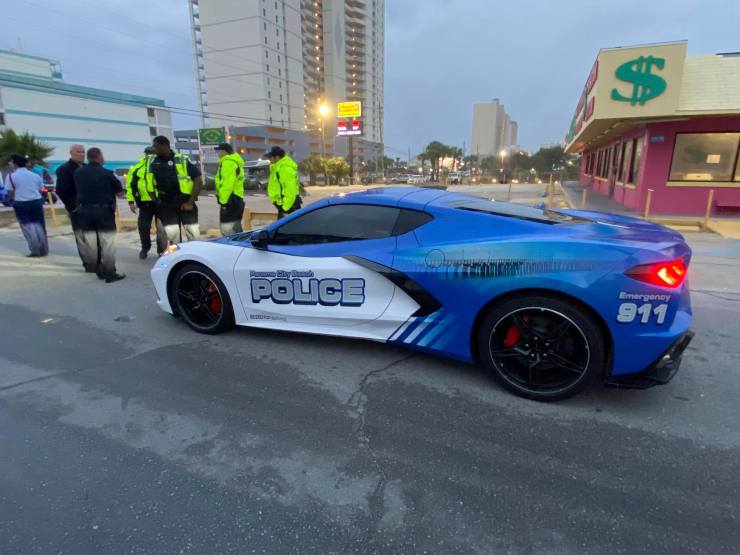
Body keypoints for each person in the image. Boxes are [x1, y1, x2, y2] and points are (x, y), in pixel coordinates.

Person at [74, 147, 125, 283]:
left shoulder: (78, 173)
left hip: (84, 212)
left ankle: (98, 270)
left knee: (91, 243)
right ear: (99, 157)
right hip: (103, 212)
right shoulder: (106, 173)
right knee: (108, 242)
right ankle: (110, 273)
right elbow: (120, 193)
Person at [149, 135, 202, 244]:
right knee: (173, 238)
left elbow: (198, 181)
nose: (154, 149)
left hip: (185, 203)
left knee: (193, 235)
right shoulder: (153, 164)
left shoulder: (181, 159)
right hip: (166, 205)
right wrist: (156, 202)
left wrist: (190, 203)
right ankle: (177, 259)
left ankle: (195, 259)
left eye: (156, 146)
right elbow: (150, 185)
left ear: (164, 146)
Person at [4, 154, 49, 257]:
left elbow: (10, 192)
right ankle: (44, 249)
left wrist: (12, 199)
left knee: (27, 226)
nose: (10, 164)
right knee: (40, 224)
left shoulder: (11, 176)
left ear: (15, 164)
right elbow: (40, 188)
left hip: (21, 203)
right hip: (36, 202)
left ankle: (35, 250)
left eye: (11, 162)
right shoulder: (35, 175)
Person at [55, 144, 91, 271]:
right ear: (71, 153)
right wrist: (72, 206)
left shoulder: (87, 167)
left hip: (91, 208)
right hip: (77, 208)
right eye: (78, 152)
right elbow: (61, 190)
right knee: (82, 237)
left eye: (83, 151)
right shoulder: (64, 169)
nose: (81, 154)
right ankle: (88, 263)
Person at [127, 146, 167, 258]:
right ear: (145, 154)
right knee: (143, 227)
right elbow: (130, 186)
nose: (150, 156)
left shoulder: (162, 166)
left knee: (161, 229)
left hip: (160, 202)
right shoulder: (137, 167)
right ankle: (145, 247)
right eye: (149, 153)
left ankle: (161, 251)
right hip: (145, 204)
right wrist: (131, 201)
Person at [214, 143, 245, 235]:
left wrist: (223, 202)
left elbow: (227, 184)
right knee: (236, 227)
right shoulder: (234, 162)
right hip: (236, 198)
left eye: (218, 151)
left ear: (224, 151)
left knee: (227, 229)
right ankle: (240, 246)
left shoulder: (228, 163)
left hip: (230, 199)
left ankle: (232, 247)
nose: (217, 153)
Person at [265, 146, 301, 218]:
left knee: (286, 228)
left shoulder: (284, 168)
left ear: (277, 157)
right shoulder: (278, 168)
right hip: (285, 206)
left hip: (289, 207)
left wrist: (285, 209)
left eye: (270, 157)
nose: (269, 159)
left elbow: (290, 189)